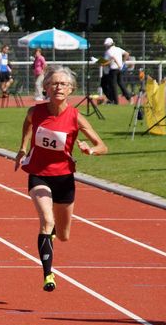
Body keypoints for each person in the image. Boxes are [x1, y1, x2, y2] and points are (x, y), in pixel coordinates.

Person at [14, 65, 107, 292]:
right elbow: (27, 125)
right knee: (47, 221)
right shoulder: (35, 112)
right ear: (46, 87)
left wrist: (90, 150)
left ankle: (54, 235)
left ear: (71, 89)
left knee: (63, 235)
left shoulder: (75, 117)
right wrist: (23, 148)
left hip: (64, 178)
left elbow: (102, 145)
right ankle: (48, 274)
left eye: (63, 84)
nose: (58, 87)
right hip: (39, 175)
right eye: (54, 83)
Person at [103, 37, 131, 104]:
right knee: (121, 83)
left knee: (113, 85)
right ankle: (129, 97)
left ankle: (116, 101)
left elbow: (105, 62)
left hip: (113, 70)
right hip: (120, 69)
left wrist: (101, 63)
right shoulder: (118, 49)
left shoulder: (108, 52)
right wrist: (123, 62)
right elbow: (127, 54)